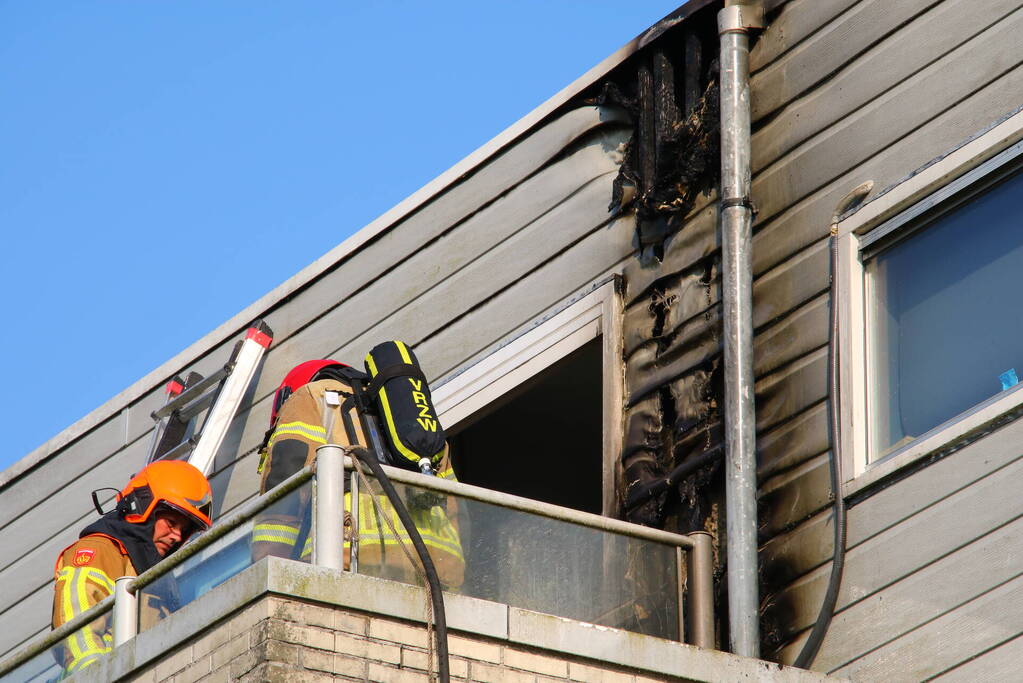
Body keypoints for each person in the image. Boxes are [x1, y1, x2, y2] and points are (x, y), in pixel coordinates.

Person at [252, 358, 464, 588]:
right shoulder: (418, 423)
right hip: (434, 571)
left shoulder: (309, 397)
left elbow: (284, 494)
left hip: (350, 558)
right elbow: (457, 509)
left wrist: (266, 578)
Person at [52, 460, 213, 674]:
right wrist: (99, 676)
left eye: (184, 530)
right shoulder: (100, 550)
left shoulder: (156, 576)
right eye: (171, 523)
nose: (177, 536)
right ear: (143, 507)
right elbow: (77, 632)